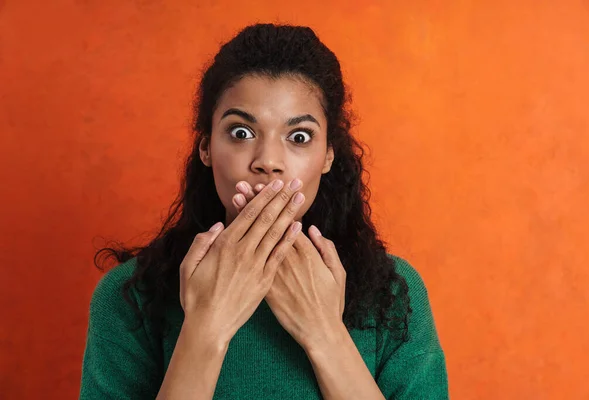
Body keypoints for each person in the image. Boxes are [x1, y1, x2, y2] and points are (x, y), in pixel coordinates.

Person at [79, 23, 449, 399]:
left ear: (328, 156)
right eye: (241, 132)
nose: (268, 162)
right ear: (206, 147)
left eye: (299, 137)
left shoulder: (394, 294)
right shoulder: (129, 296)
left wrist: (325, 335)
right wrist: (206, 330)